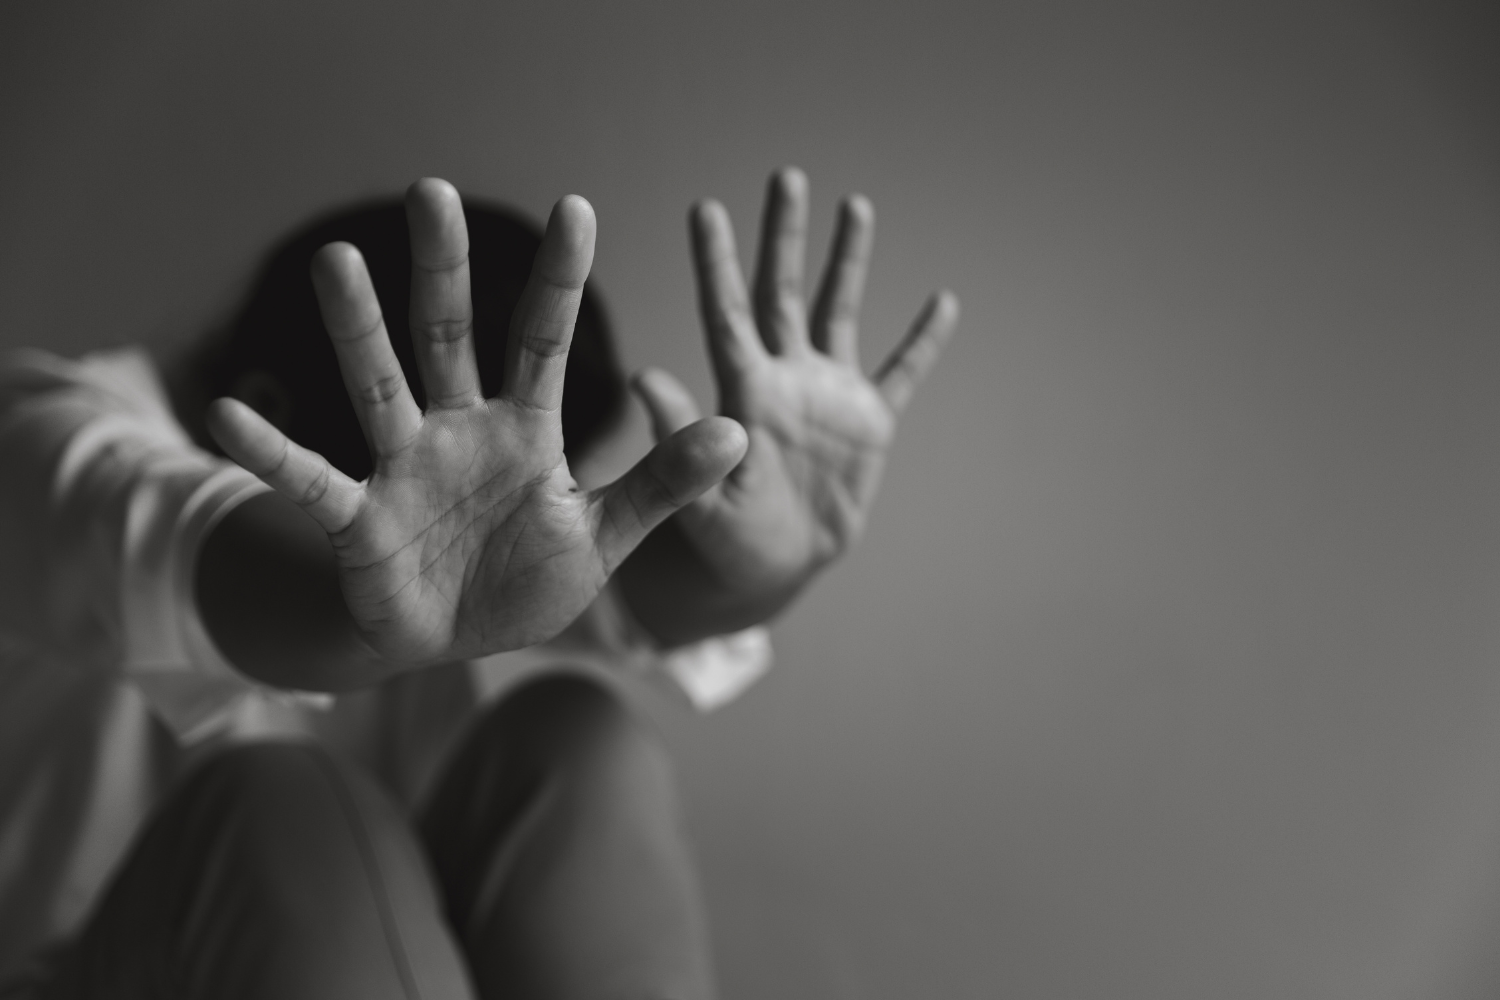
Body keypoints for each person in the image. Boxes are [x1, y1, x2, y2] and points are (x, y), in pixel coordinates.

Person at [0, 168, 959, 999]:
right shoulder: (45, 435)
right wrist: (363, 605)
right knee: (279, 809)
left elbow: (604, 601)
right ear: (267, 408)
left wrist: (753, 565)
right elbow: (192, 550)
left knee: (574, 740)